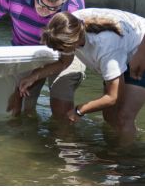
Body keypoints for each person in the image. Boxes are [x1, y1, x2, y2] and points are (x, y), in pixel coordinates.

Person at [18, 8, 145, 145]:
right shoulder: (68, 25)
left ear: (74, 43)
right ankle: (122, 146)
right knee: (109, 116)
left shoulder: (105, 46)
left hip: (139, 50)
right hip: (122, 51)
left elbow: (114, 96)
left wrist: (80, 110)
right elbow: (63, 62)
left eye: (59, 49)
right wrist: (34, 76)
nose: (57, 52)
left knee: (123, 117)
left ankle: (126, 161)